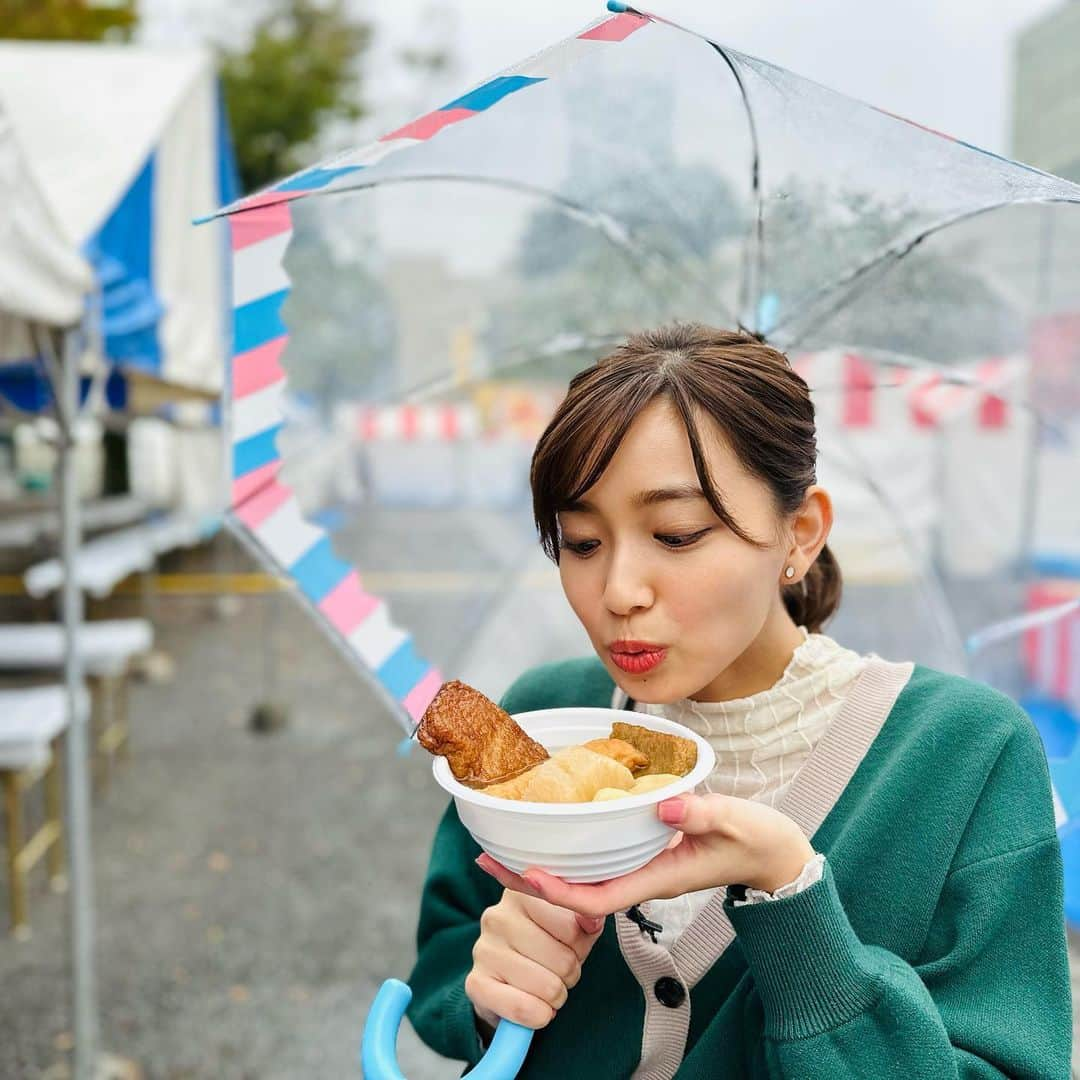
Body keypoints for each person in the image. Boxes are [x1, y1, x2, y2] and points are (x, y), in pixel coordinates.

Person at [406, 324, 1072, 1078]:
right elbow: (438, 984)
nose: (619, 592)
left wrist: (792, 897)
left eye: (678, 534)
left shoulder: (965, 755)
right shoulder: (541, 724)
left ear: (800, 533)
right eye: (582, 542)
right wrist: (488, 998)